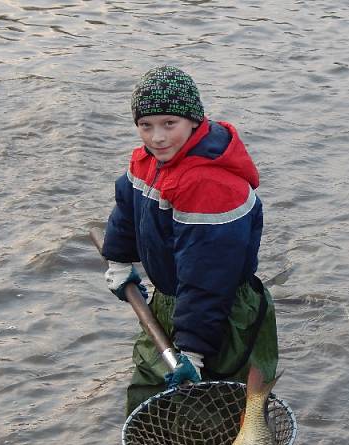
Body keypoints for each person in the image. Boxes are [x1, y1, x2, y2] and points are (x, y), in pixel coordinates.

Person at [101, 65, 279, 415]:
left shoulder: (210, 186)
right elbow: (127, 209)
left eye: (170, 124)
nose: (158, 138)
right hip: (172, 299)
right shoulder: (146, 161)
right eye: (146, 126)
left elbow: (207, 275)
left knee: (215, 411)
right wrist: (119, 260)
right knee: (151, 402)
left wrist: (193, 350)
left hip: (223, 310)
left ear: (194, 121)